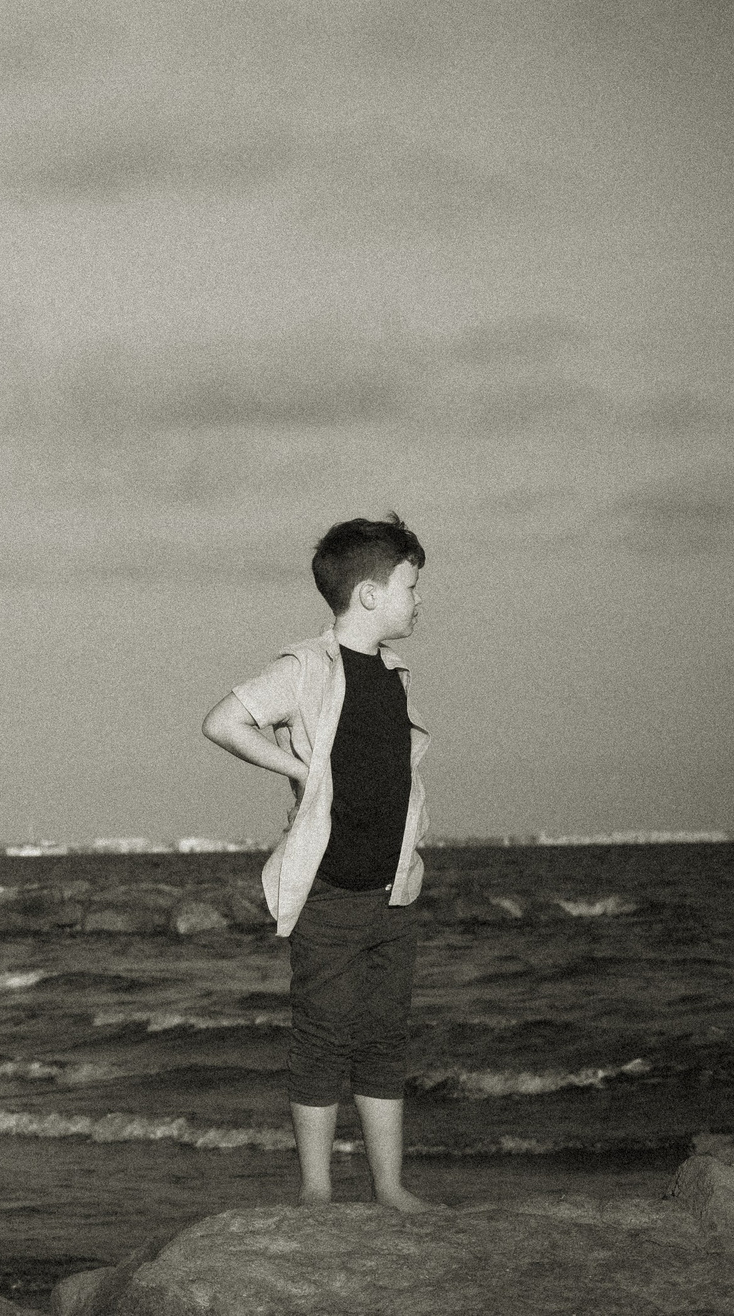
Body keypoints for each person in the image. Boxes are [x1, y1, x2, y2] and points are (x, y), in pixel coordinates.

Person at [201, 514, 435, 1211]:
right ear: (368, 593)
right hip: (329, 892)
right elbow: (223, 720)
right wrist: (299, 765)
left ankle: (389, 1185)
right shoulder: (308, 666)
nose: (419, 599)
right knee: (323, 1035)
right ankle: (315, 1189)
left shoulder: (394, 675)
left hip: (392, 893)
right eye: (411, 585)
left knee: (384, 1036)